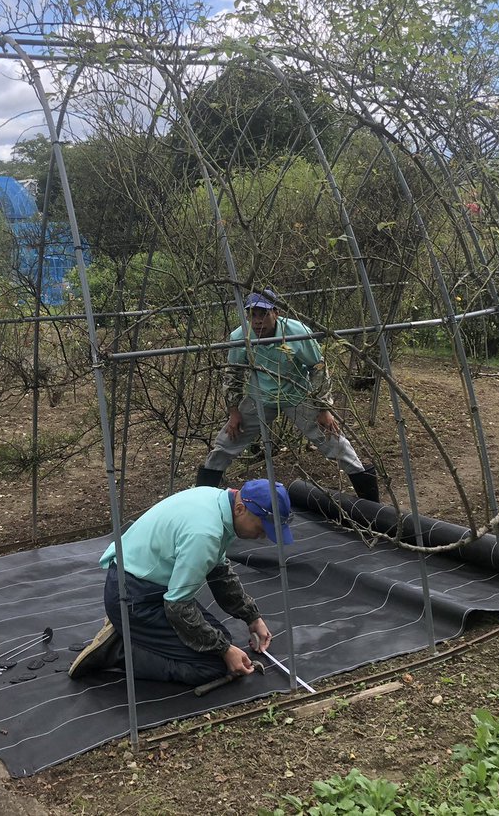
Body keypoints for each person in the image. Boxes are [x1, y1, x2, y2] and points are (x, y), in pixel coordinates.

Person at [68, 478, 290, 686]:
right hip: (134, 598)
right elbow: (177, 606)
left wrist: (252, 617)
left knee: (221, 641)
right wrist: (223, 651)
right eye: (261, 529)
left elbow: (219, 572)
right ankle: (118, 650)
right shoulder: (204, 534)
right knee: (213, 665)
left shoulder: (216, 500)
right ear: (241, 509)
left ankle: (134, 633)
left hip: (147, 585)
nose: (262, 537)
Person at [195, 290, 379, 502]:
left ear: (276, 312)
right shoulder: (241, 336)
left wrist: (323, 408)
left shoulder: (296, 332)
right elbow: (233, 372)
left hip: (297, 395)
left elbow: (317, 367)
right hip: (260, 398)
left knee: (333, 440)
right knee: (226, 444)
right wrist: (234, 411)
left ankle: (373, 506)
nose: (257, 321)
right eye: (252, 315)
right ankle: (201, 501)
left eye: (262, 314)